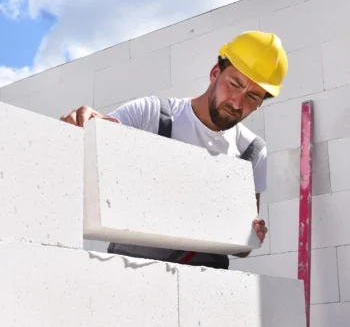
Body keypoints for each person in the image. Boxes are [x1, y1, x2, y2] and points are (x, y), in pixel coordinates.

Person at [60, 30, 288, 269]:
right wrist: (84, 125)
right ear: (215, 73)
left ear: (261, 103)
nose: (236, 103)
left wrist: (251, 237)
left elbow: (242, 248)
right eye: (234, 84)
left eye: (252, 96)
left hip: (201, 285)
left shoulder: (251, 151)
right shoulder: (151, 115)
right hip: (129, 276)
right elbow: (98, 143)